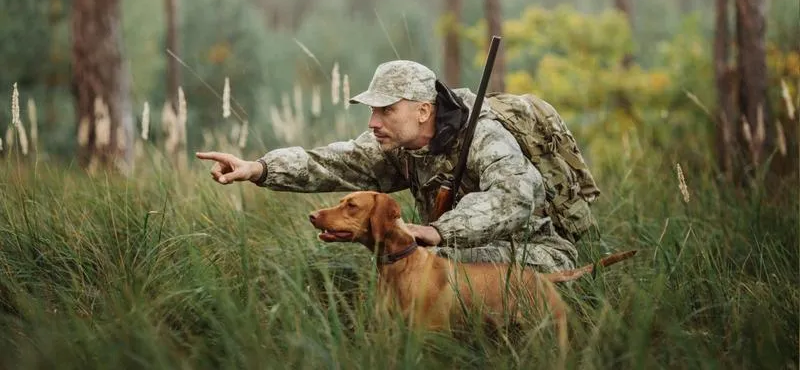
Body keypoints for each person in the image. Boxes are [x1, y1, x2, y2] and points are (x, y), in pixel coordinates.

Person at [196, 60, 578, 272]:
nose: (373, 122)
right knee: (409, 261)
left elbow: (515, 197)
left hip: (535, 254)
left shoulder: (484, 136)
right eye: (373, 111)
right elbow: (331, 162)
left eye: (386, 110)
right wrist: (259, 168)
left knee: (425, 263)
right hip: (461, 252)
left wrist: (439, 232)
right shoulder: (397, 144)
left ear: (423, 110)